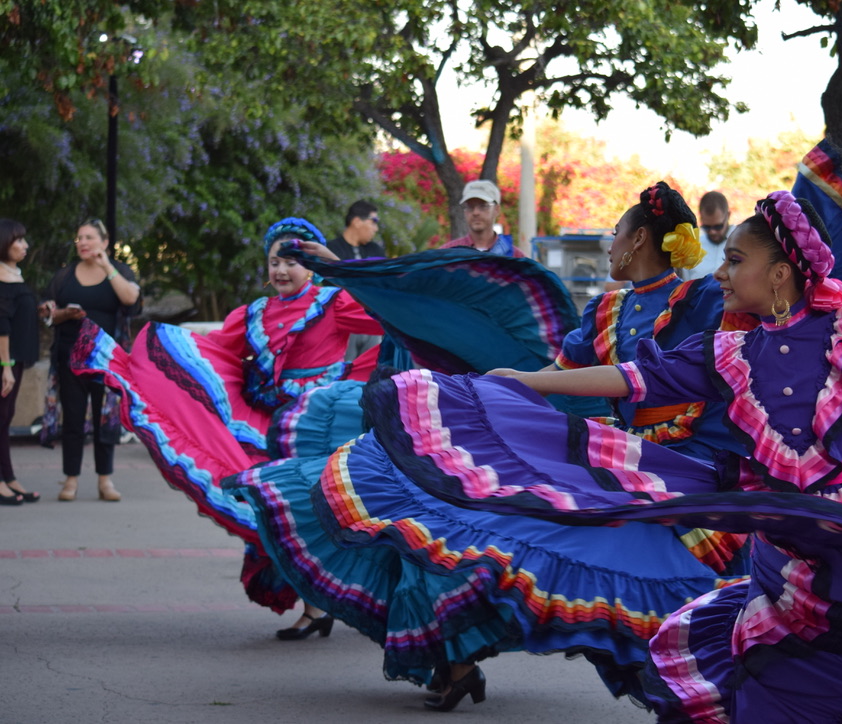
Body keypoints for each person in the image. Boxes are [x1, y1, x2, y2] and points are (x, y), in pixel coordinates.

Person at [355, 182, 842, 721]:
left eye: (735, 259)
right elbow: (637, 377)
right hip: (774, 535)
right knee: (763, 666)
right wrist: (532, 382)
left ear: (781, 272)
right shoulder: (728, 349)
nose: (723, 272)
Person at [224, 184, 756, 711]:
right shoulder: (606, 312)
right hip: (625, 468)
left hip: (692, 474)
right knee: (488, 534)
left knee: (646, 591)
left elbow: (712, 365)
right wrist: (495, 387)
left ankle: (711, 689)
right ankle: (457, 660)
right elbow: (556, 375)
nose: (609, 244)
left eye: (616, 233)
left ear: (639, 238)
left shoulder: (706, 299)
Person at [71, 217, 384, 625]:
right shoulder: (252, 313)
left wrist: (336, 267)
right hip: (266, 426)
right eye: (275, 261)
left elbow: (385, 311)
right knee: (275, 509)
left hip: (317, 424)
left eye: (293, 261)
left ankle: (333, 602)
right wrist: (149, 361)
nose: (282, 270)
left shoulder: (334, 303)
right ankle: (314, 606)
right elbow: (211, 352)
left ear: (311, 266)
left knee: (315, 511)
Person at [42, 218, 140, 502]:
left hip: (106, 358)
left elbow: (132, 299)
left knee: (106, 418)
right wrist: (61, 314)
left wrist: (106, 266)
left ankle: (105, 480)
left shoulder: (118, 271)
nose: (83, 243)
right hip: (70, 356)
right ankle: (70, 479)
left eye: (89, 237)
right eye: (79, 238)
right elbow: (49, 312)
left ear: (104, 242)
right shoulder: (65, 275)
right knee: (72, 419)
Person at [0, 219, 41, 505]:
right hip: (5, 361)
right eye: (19, 241)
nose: (25, 246)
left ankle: (8, 477)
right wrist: (5, 367)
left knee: (5, 419)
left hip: (14, 360)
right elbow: (1, 325)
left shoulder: (13, 273)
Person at [325, 200, 386, 360]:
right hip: (343, 323)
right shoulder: (331, 249)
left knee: (369, 371)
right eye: (373, 222)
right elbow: (332, 285)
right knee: (344, 371)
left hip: (372, 321)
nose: (376, 228)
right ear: (357, 221)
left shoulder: (376, 250)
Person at [440, 180, 525, 257]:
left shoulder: (514, 257)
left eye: (483, 206)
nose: (475, 212)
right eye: (470, 207)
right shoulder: (448, 254)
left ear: (496, 210)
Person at [682, 191, 731, 280]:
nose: (712, 232)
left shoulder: (744, 242)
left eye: (718, 226)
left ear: (728, 215)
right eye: (706, 227)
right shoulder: (691, 248)